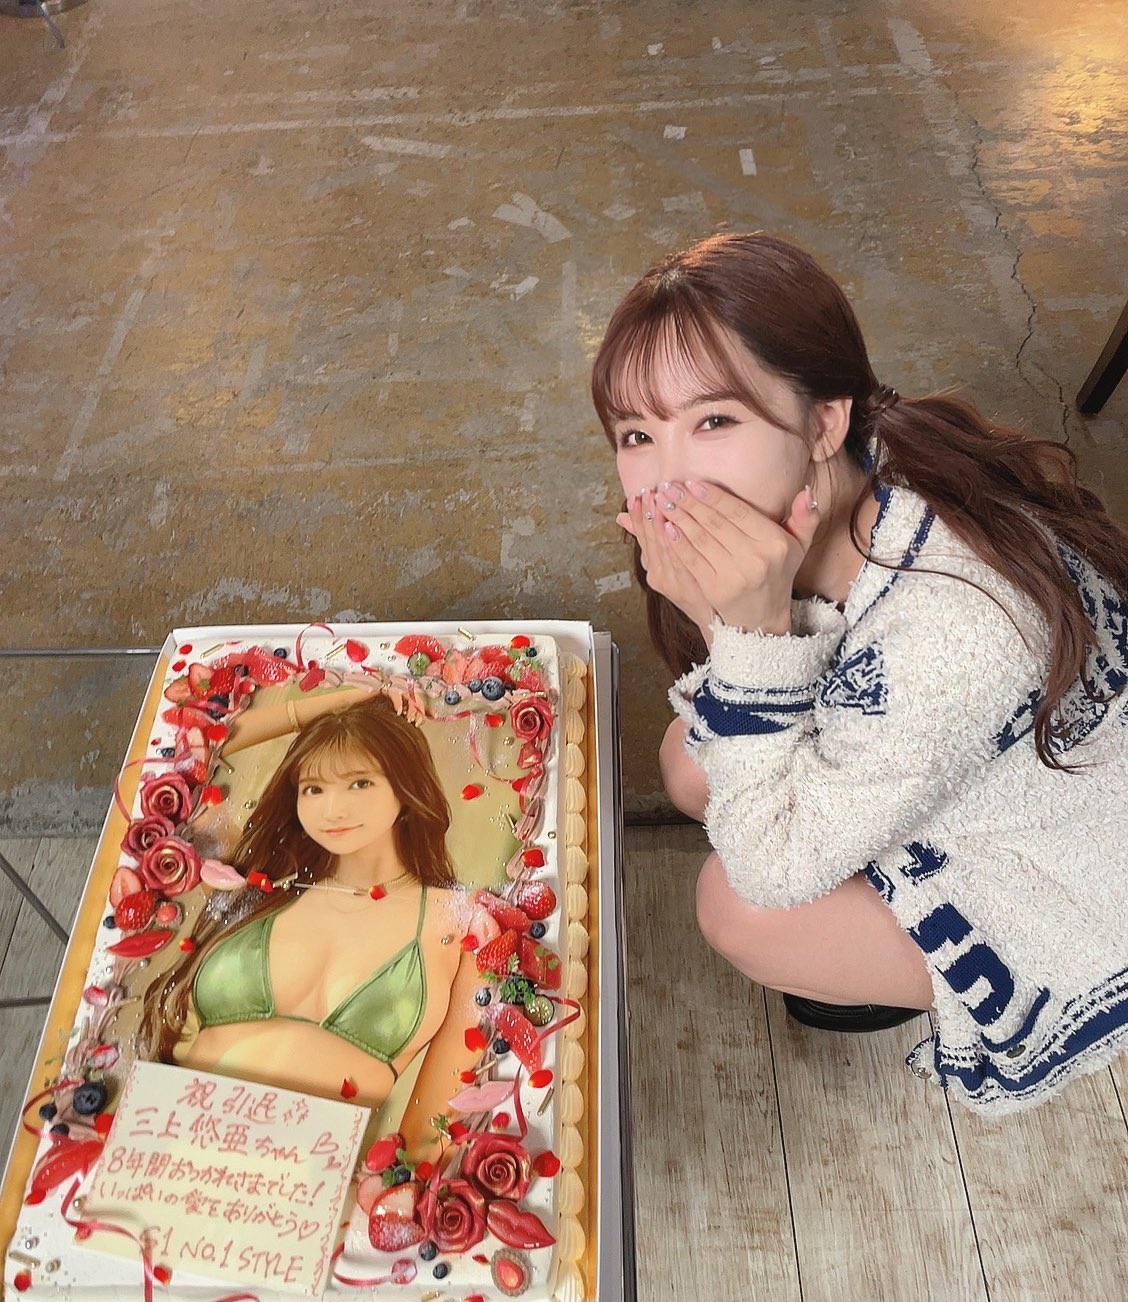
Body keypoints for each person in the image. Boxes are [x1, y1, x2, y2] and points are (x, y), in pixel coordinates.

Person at [591, 231, 1128, 1113]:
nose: (669, 478)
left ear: (824, 423)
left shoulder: (954, 625)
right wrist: (735, 622)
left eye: (715, 421)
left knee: (737, 906)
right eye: (638, 434)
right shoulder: (854, 490)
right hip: (947, 748)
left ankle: (906, 970)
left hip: (1069, 864)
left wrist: (743, 626)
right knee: (686, 763)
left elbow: (769, 872)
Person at [140, 689, 481, 1158]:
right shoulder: (256, 879)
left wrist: (392, 1192)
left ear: (406, 790)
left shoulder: (461, 921)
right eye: (313, 788)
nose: (332, 810)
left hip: (302, 1186)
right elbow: (178, 760)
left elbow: (431, 1130)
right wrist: (341, 704)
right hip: (165, 1150)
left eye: (360, 783)